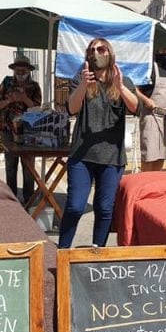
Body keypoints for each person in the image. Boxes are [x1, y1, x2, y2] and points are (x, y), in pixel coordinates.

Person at [58, 38, 139, 248]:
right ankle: (63, 251)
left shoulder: (123, 81)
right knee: (75, 207)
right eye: (92, 50)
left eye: (101, 49)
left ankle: (97, 252)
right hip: (82, 156)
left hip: (111, 156)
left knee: (104, 209)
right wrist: (84, 84)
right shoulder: (81, 78)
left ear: (109, 53)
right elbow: (72, 109)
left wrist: (120, 87)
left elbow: (135, 108)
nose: (96, 53)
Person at [0, 55, 42, 204]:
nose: (20, 72)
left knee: (28, 168)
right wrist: (10, 100)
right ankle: (11, 199)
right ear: (14, 70)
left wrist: (24, 99)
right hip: (7, 130)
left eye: (23, 70)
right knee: (10, 166)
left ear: (28, 71)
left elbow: (38, 110)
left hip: (29, 132)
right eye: (18, 70)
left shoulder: (35, 86)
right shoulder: (6, 83)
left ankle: (29, 199)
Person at [135, 44, 166, 171]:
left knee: (162, 155)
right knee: (150, 155)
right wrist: (146, 100)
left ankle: (155, 183)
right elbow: (135, 89)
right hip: (151, 117)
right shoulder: (150, 70)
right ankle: (145, 184)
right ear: (161, 49)